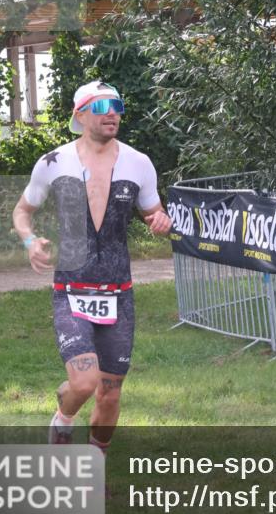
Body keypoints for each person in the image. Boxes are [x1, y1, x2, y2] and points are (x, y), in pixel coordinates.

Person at [12, 81, 171, 457]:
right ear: (79, 115)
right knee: (84, 383)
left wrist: (159, 220)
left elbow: (153, 212)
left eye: (116, 104)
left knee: (110, 391)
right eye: (101, 106)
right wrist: (29, 241)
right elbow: (22, 211)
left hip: (119, 293)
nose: (112, 112)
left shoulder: (138, 162)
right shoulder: (53, 162)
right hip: (72, 290)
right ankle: (62, 421)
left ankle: (94, 462)